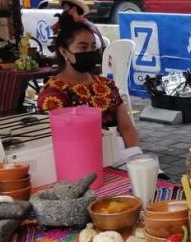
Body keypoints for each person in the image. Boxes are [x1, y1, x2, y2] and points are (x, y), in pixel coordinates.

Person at [37, 14, 140, 151]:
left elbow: (126, 128)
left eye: (92, 47)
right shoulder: (53, 94)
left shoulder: (105, 85)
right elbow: (63, 143)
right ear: (64, 52)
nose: (90, 52)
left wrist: (135, 156)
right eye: (83, 47)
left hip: (119, 158)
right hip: (80, 161)